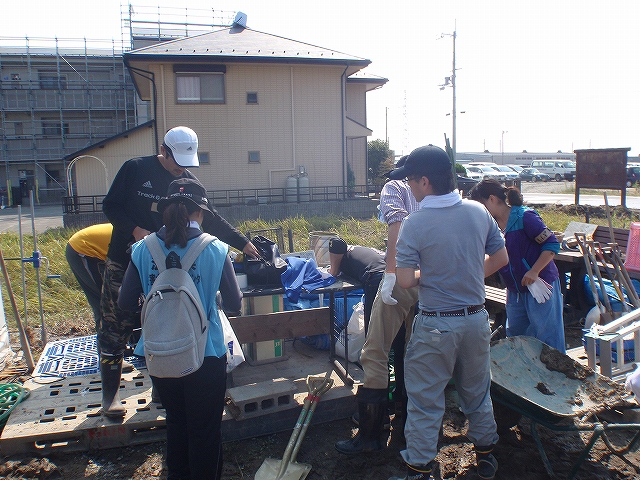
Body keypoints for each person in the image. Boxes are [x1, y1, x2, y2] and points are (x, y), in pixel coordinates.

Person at [99, 125, 258, 418]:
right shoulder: (135, 169)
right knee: (115, 323)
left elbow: (211, 219)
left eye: (187, 164)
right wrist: (135, 230)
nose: (180, 170)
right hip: (128, 257)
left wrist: (242, 242)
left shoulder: (187, 181)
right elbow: (110, 205)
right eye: (176, 162)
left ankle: (164, 386)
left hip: (169, 265)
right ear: (163, 151)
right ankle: (110, 396)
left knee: (168, 317)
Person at [390, 144, 508, 480]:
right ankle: (486, 456)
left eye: (411, 181)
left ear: (425, 181)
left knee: (426, 399)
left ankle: (419, 467)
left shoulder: (416, 223)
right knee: (476, 391)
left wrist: (430, 274)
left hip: (437, 324)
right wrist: (465, 273)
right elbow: (500, 260)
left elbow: (404, 280)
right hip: (475, 319)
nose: (409, 187)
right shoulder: (477, 212)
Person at [118, 177, 241, 480]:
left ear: (166, 209)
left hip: (159, 354)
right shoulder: (215, 249)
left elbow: (124, 303)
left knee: (176, 422)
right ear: (200, 212)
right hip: (205, 354)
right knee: (205, 431)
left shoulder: (142, 249)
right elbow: (236, 304)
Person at [335, 156, 420, 455]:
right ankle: (408, 429)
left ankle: (371, 435)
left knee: (375, 353)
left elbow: (396, 227)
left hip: (400, 276)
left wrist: (391, 273)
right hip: (432, 279)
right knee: (413, 352)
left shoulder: (394, 186)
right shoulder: (446, 197)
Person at [469, 178, 565, 353]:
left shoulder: (525, 217)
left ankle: (554, 377)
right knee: (516, 337)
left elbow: (551, 245)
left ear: (491, 199)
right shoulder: (492, 226)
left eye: (480, 206)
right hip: (515, 290)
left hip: (540, 286)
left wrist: (535, 271)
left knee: (547, 337)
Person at [327, 237, 385, 333]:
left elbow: (334, 272)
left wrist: (330, 270)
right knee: (391, 319)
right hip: (391, 276)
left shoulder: (338, 247)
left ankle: (373, 347)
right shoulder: (363, 250)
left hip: (374, 278)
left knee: (372, 323)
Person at [65, 223, 112, 330]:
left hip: (95, 249)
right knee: (104, 303)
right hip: (83, 249)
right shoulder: (146, 239)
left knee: (111, 301)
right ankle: (106, 343)